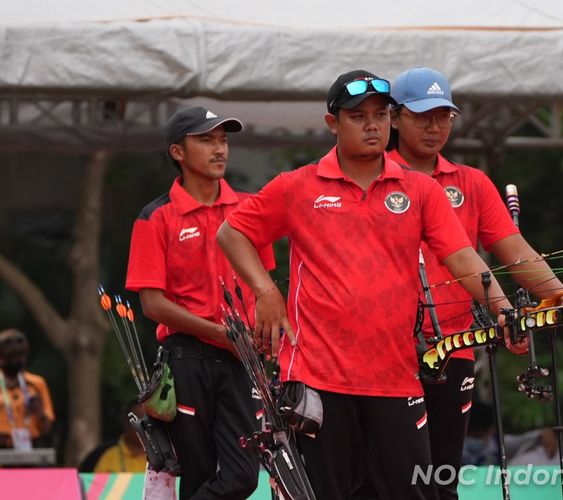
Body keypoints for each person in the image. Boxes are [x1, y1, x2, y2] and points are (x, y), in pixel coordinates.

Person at [216, 69, 513, 500]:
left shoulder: (419, 190)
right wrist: (266, 291)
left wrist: (501, 306)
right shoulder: (298, 186)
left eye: (381, 114)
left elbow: (462, 257)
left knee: (417, 492)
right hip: (319, 377)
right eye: (358, 116)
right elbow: (232, 233)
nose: (372, 125)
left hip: (395, 378)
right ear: (332, 123)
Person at [384, 67, 563, 499]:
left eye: (444, 116)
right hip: (384, 353)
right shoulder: (375, 178)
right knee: (392, 482)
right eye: (422, 116)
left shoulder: (471, 183)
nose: (435, 127)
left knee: (440, 482)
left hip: (453, 348)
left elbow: (516, 251)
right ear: (394, 118)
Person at [125, 105, 275, 499]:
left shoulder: (250, 208)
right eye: (206, 140)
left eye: (223, 140)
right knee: (197, 471)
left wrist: (262, 335)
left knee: (243, 475)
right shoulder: (156, 217)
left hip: (241, 358)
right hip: (187, 359)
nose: (220, 149)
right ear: (178, 152)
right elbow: (152, 305)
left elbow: (266, 289)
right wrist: (216, 333)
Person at [0, 328, 55, 450]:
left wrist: (39, 411)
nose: (15, 362)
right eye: (10, 358)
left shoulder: (36, 384)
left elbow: (47, 429)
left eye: (19, 357)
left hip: (31, 448)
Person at [93, 399, 147, 473]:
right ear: (126, 424)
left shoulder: (162, 457)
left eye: (147, 420)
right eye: (138, 419)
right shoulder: (109, 458)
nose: (144, 425)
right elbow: (97, 484)